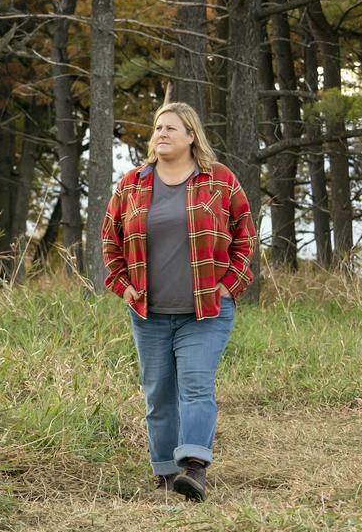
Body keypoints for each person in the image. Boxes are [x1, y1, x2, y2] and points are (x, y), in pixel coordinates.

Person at [101, 102, 257, 502]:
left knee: (195, 386)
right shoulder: (132, 184)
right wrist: (123, 286)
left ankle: (194, 467)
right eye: (157, 127)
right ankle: (166, 473)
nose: (162, 133)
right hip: (149, 314)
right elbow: (110, 239)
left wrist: (231, 282)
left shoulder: (219, 180)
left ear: (191, 135)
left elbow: (246, 235)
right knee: (158, 395)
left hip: (206, 312)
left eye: (171, 127)